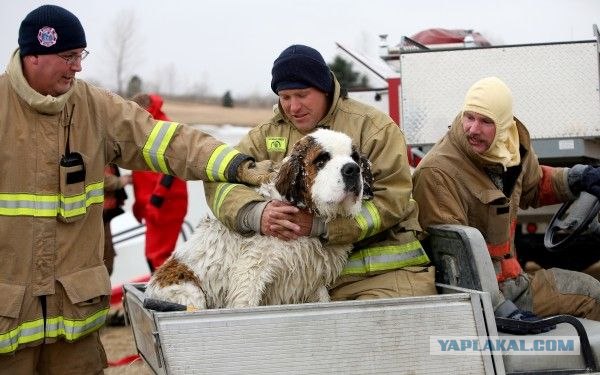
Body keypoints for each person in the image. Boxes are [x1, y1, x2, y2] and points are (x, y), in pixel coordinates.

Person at [0, 5, 272, 373]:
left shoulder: (96, 108)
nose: (78, 66)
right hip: (8, 327)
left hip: (74, 330)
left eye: (81, 56)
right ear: (35, 54)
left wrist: (235, 164)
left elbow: (166, 142)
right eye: (69, 57)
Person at [203, 44, 437, 302]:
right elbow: (220, 181)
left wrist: (322, 226)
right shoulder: (265, 136)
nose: (293, 107)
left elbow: (393, 199)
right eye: (285, 97)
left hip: (379, 275)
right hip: (302, 279)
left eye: (302, 95)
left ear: (324, 88)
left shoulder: (373, 129)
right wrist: (256, 213)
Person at [412, 76, 600, 324]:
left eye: (485, 121)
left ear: (503, 124)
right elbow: (453, 261)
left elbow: (534, 185)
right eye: (469, 117)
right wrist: (500, 309)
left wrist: (578, 177)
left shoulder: (511, 146)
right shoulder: (437, 173)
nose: (473, 129)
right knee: (590, 296)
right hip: (488, 296)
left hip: (514, 282)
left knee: (592, 290)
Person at [131, 93, 189, 273]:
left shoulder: (164, 128)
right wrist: (141, 205)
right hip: (153, 205)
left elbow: (171, 171)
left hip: (166, 206)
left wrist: (156, 202)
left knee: (157, 256)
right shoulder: (144, 128)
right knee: (153, 255)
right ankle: (162, 292)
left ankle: (167, 295)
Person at [102, 164, 132, 275]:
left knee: (107, 254)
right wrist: (120, 181)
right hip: (99, 215)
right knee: (104, 256)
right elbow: (97, 176)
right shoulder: (90, 151)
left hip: (105, 215)